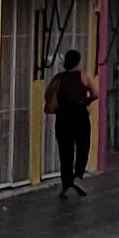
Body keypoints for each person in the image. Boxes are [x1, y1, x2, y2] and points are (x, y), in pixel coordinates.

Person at [46, 50, 95, 196]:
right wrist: (86, 101)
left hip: (63, 115)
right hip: (80, 114)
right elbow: (96, 93)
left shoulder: (58, 78)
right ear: (78, 61)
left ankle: (66, 186)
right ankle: (78, 177)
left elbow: (48, 95)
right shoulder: (84, 76)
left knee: (65, 150)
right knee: (83, 146)